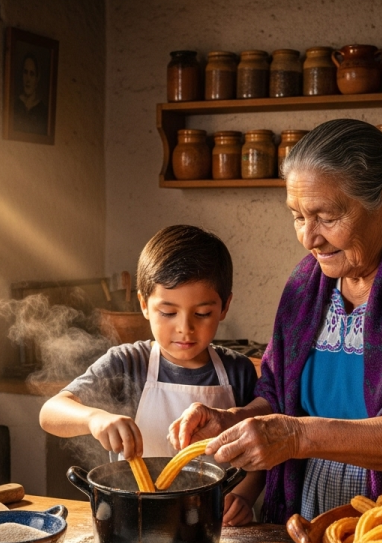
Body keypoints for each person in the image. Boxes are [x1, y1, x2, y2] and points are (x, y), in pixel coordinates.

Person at [169, 119, 382, 523]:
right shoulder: (305, 283)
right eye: (298, 216)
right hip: (317, 506)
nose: (308, 238)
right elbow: (280, 397)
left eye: (326, 216)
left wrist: (296, 436)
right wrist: (233, 419)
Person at [39, 225, 262, 526]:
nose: (185, 328)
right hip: (137, 521)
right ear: (144, 305)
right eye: (168, 313)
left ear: (224, 307)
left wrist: (244, 497)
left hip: (212, 522)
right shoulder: (127, 363)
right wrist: (94, 419)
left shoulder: (239, 372)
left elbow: (259, 453)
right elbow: (50, 412)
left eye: (203, 313)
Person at [13, 53, 49, 135]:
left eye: (32, 74)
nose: (28, 79)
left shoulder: (43, 111)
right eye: (25, 72)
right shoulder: (15, 105)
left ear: (37, 78)